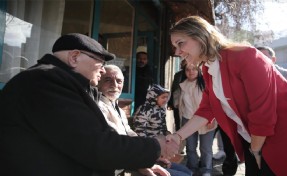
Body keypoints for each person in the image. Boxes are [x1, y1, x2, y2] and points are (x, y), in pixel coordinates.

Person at [0, 33, 179, 176]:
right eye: (99, 62)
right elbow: (96, 146)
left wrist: (140, 162)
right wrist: (157, 146)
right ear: (75, 57)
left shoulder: (71, 84)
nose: (102, 69)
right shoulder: (45, 81)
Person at [167, 16, 287, 176]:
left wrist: (256, 151)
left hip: (278, 140)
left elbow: (262, 113)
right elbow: (206, 110)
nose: (177, 52)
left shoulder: (247, 56)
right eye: (175, 46)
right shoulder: (208, 70)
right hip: (255, 142)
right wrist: (177, 136)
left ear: (201, 36)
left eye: (180, 43)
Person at [97, 64, 170, 176]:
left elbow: (130, 134)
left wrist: (148, 156)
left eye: (119, 81)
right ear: (99, 82)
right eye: (108, 80)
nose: (115, 85)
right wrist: (142, 162)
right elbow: (116, 142)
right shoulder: (99, 107)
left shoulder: (118, 109)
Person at [133, 84, 192, 176]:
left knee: (189, 172)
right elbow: (140, 133)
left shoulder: (160, 110)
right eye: (163, 97)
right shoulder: (145, 110)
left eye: (166, 97)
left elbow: (163, 129)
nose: (165, 100)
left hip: (161, 149)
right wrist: (151, 153)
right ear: (154, 97)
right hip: (150, 150)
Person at [178, 63, 216, 176]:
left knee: (205, 147)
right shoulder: (182, 85)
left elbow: (213, 103)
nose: (191, 72)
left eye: (194, 69)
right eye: (188, 70)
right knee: (190, 147)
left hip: (205, 119)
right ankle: (192, 168)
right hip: (187, 119)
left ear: (199, 70)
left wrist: (211, 119)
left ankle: (206, 170)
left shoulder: (206, 83)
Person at [168, 59, 187, 131]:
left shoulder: (195, 74)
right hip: (177, 102)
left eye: (184, 62)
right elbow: (174, 88)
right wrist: (170, 103)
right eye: (182, 63)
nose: (182, 64)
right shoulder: (178, 75)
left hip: (188, 103)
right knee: (178, 121)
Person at [134, 46, 153, 112]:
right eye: (139, 58)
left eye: (144, 59)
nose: (141, 61)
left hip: (144, 100)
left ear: (147, 60)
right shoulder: (131, 70)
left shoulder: (149, 71)